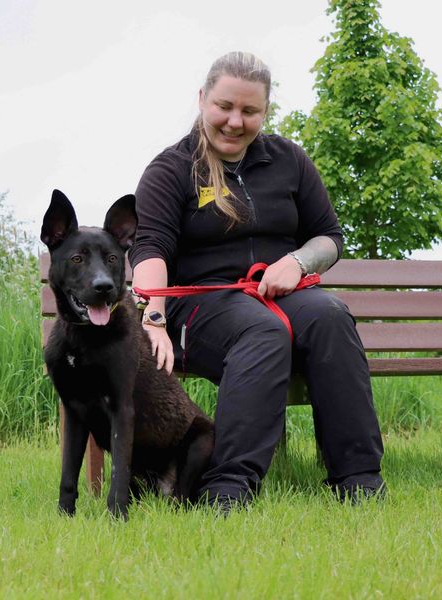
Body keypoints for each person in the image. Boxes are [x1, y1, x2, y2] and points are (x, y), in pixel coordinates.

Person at [129, 51, 384, 512]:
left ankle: (359, 478)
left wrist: (300, 261)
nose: (234, 121)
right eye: (224, 106)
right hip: (201, 307)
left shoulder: (289, 160)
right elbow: (149, 248)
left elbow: (329, 237)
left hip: (278, 295)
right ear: (203, 98)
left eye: (250, 111)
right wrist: (152, 317)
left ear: (265, 112)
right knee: (260, 329)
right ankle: (227, 487)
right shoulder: (171, 169)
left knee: (330, 315)